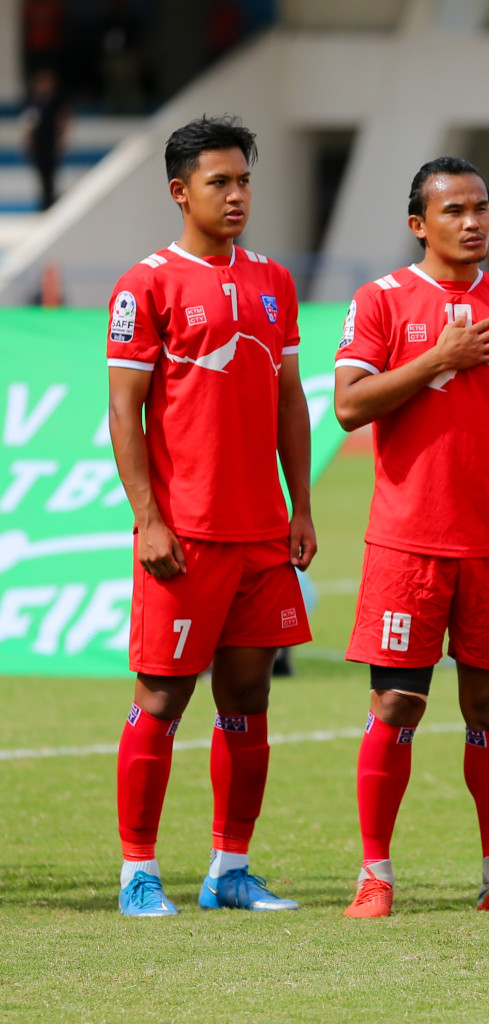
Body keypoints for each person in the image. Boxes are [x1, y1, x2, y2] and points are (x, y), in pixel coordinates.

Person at [105, 116, 314, 916]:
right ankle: (137, 873)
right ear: (179, 191)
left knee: (248, 699)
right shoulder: (146, 283)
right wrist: (148, 518)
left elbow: (290, 401)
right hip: (184, 535)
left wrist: (298, 506)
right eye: (219, 182)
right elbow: (125, 409)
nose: (236, 196)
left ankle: (230, 868)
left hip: (262, 533)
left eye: (244, 181)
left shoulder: (273, 280)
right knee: (160, 700)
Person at [332, 157, 489, 919]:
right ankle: (375, 875)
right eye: (454, 210)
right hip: (407, 543)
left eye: (481, 208)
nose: (474, 222)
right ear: (420, 224)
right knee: (396, 706)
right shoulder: (381, 300)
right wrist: (438, 360)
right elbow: (349, 407)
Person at [20, 68, 67, 210]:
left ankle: (51, 200)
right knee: (41, 174)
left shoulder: (55, 101)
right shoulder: (33, 103)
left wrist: (61, 140)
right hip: (39, 143)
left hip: (51, 141)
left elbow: (62, 120)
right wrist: (27, 141)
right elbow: (28, 124)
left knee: (50, 173)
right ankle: (45, 202)